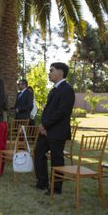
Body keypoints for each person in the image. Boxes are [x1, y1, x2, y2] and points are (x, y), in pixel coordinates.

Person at [34, 62, 75, 194]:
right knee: (38, 153)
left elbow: (61, 112)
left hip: (57, 131)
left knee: (57, 159)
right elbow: (48, 110)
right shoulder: (53, 90)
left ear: (60, 72)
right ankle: (42, 182)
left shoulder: (67, 89)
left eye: (52, 70)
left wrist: (45, 125)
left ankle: (56, 188)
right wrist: (43, 126)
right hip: (46, 130)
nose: (49, 73)